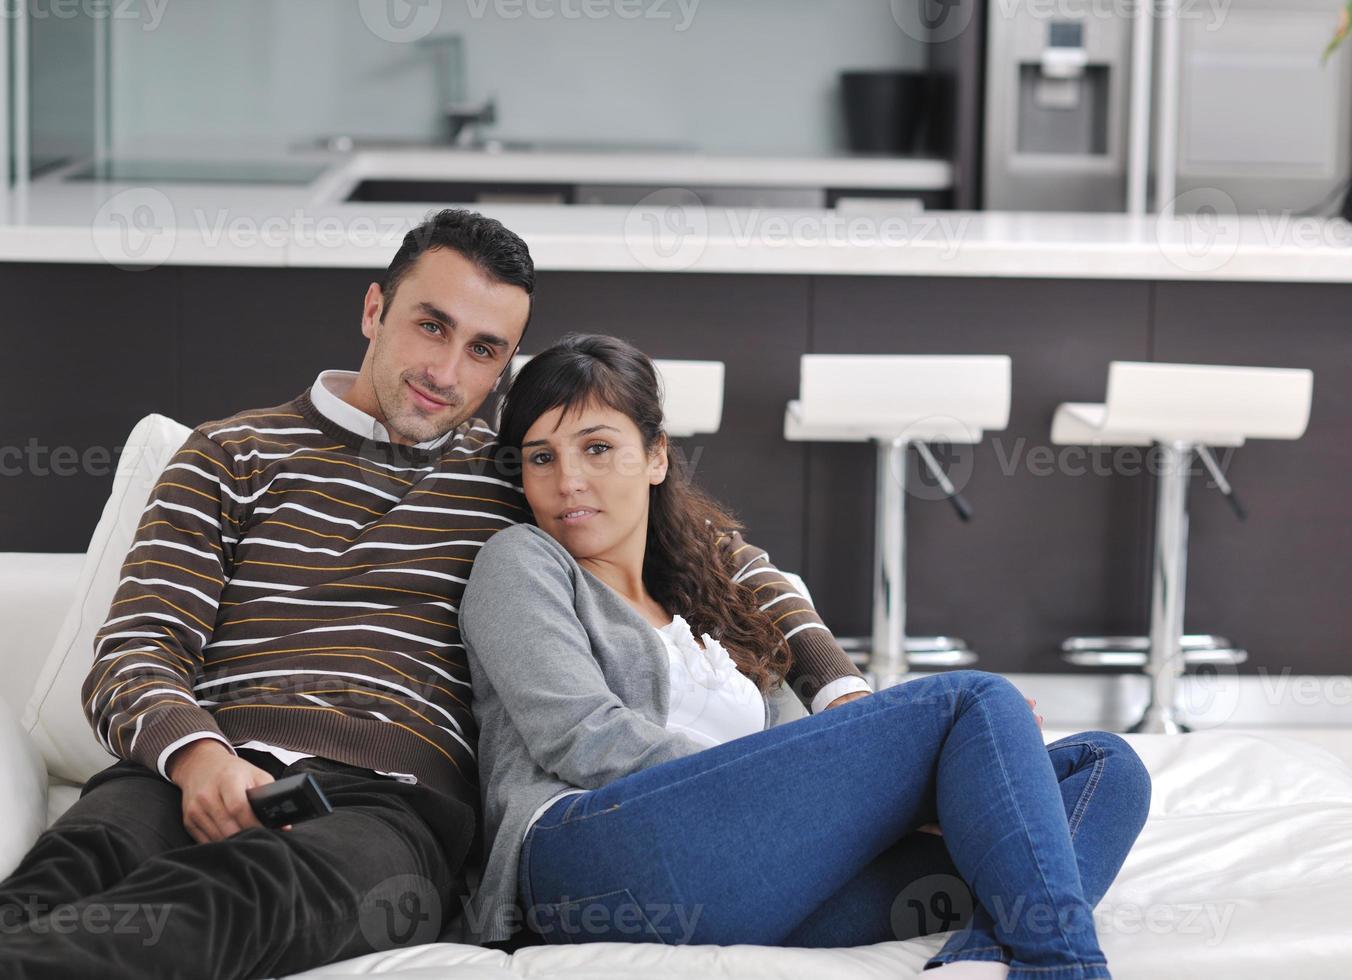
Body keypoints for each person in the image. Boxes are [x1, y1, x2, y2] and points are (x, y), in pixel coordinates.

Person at [0, 210, 867, 980]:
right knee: (63, 875)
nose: (448, 372)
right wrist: (197, 758)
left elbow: (719, 553)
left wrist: (842, 688)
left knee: (237, 894)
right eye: (431, 326)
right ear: (375, 310)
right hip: (194, 762)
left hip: (395, 807)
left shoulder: (516, 470)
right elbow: (136, 647)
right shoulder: (229, 456)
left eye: (484, 350)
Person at [459, 333, 1153, 979]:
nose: (568, 481)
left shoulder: (712, 600)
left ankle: (977, 963)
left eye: (597, 448)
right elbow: (585, 739)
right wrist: (878, 796)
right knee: (973, 702)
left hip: (754, 885)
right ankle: (1067, 967)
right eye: (542, 456)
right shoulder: (522, 562)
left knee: (1103, 770)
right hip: (596, 861)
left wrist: (873, 801)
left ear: (657, 456)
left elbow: (800, 752)